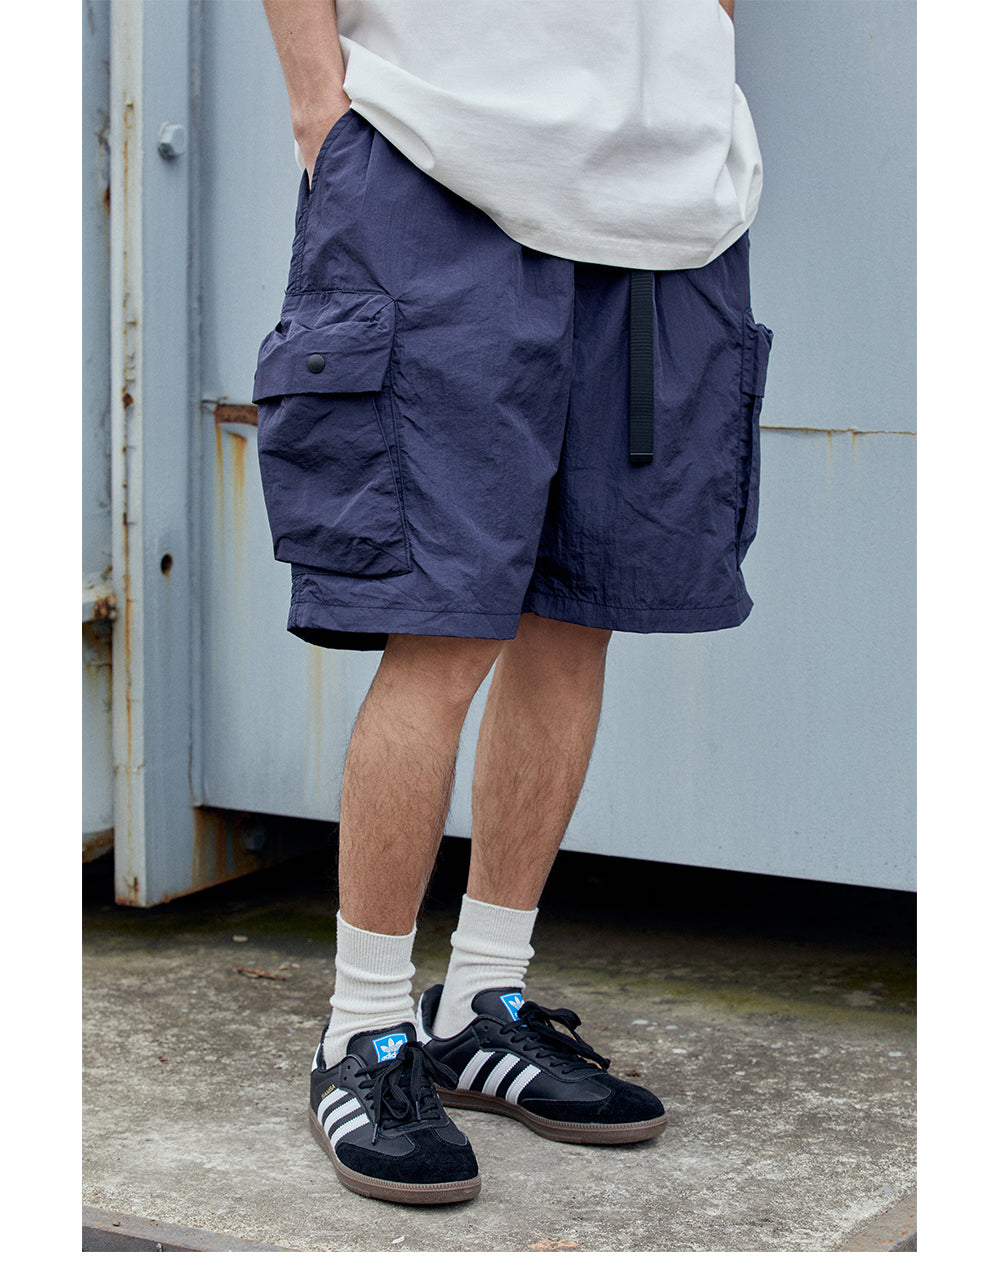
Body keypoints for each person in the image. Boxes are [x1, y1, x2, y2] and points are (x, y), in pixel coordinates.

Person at [255, 0, 772, 1205]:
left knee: (574, 618)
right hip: (437, 162)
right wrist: (321, 109)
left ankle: (483, 998)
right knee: (443, 632)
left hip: (666, 204)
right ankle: (364, 1030)